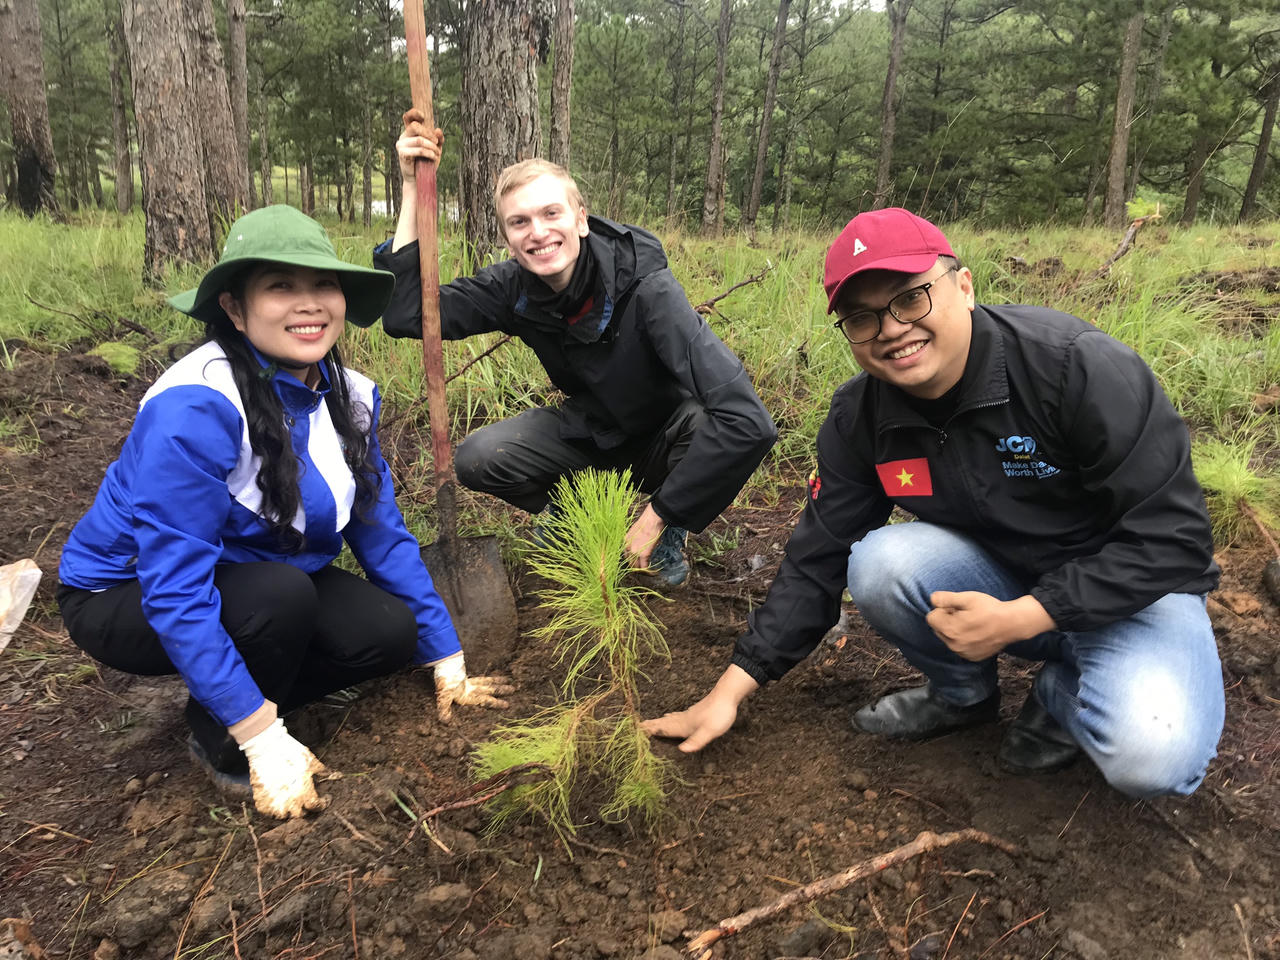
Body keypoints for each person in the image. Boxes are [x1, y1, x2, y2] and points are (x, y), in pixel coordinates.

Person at [643, 207, 1225, 799]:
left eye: (910, 298)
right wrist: (730, 690)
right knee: (881, 561)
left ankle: (1063, 691)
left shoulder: (1074, 366)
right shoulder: (861, 418)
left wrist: (1028, 615)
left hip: (1134, 592)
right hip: (1008, 580)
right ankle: (962, 695)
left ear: (964, 286)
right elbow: (817, 559)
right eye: (862, 317)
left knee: (1152, 755)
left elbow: (1174, 541)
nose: (891, 329)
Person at [58, 205, 513, 820]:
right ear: (233, 307)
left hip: (261, 570)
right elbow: (174, 588)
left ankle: (233, 691)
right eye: (280, 286)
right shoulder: (196, 407)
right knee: (280, 600)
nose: (309, 304)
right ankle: (227, 735)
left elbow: (380, 530)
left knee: (387, 633)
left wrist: (446, 655)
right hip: (127, 593)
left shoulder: (347, 395)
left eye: (324, 284)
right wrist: (262, 739)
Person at [376, 114, 777, 585]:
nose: (537, 232)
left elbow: (749, 421)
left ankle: (670, 530)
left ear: (581, 219)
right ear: (508, 240)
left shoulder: (646, 286)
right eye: (519, 222)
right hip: (593, 433)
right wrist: (410, 186)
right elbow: (407, 315)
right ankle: (577, 513)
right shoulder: (512, 289)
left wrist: (659, 515)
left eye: (551, 214)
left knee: (710, 420)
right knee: (480, 456)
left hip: (667, 439)